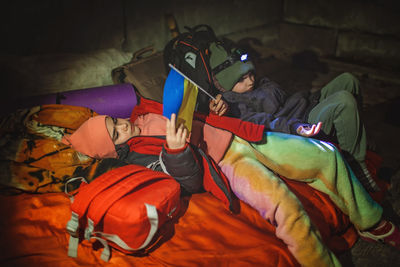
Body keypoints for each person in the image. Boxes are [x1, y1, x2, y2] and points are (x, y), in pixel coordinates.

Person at [62, 96, 400, 267]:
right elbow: (189, 181)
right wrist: (177, 150)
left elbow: (194, 114)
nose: (124, 125)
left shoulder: (144, 112)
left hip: (240, 135)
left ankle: (372, 221)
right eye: (116, 132)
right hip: (227, 162)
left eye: (116, 120)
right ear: (115, 150)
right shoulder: (138, 158)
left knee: (326, 155)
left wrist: (214, 108)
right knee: (287, 208)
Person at [207, 42, 379, 193]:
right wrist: (295, 127)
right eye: (241, 79)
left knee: (348, 80)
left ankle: (352, 132)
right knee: (344, 100)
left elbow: (287, 99)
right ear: (224, 85)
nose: (250, 81)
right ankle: (357, 167)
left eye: (250, 74)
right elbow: (265, 122)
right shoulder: (234, 103)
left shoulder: (258, 84)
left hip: (305, 105)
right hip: (301, 124)